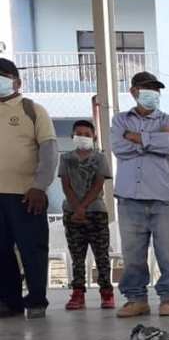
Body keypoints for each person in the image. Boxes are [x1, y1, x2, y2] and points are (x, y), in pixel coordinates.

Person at [111, 71, 169, 318]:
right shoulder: (120, 120)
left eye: (156, 89)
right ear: (134, 92)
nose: (153, 93)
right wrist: (153, 141)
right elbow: (119, 147)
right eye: (147, 88)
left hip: (164, 197)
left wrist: (137, 138)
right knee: (133, 255)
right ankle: (136, 299)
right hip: (129, 197)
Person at [0, 58, 58, 319]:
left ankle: (36, 300)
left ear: (17, 81)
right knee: (1, 251)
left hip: (26, 195)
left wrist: (39, 187)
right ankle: (9, 301)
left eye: (3, 75)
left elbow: (49, 152)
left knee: (32, 249)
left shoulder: (33, 110)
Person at [60, 120, 115, 310]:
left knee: (101, 256)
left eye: (87, 134)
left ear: (94, 137)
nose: (82, 137)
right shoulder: (66, 158)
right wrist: (76, 208)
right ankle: (77, 293)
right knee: (77, 256)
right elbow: (66, 185)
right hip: (72, 213)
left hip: (96, 212)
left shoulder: (100, 158)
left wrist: (83, 207)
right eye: (79, 134)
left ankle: (106, 293)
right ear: (72, 136)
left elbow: (99, 184)